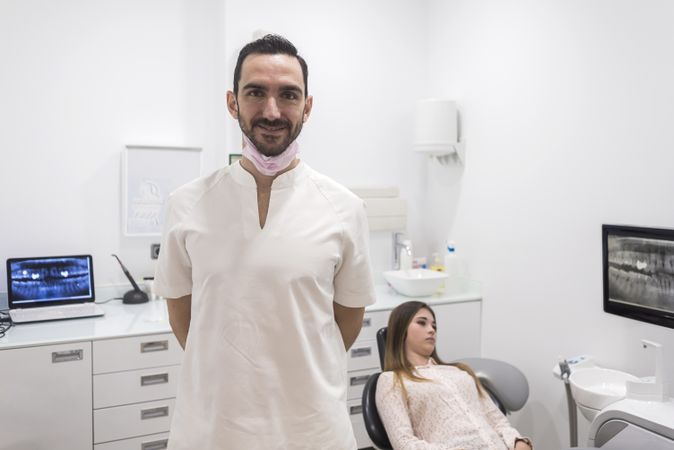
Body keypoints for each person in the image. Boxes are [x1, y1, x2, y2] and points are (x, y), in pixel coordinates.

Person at [154, 34, 376, 450]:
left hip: (312, 431)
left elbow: (345, 321)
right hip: (211, 429)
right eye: (256, 92)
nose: (272, 111)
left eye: (288, 95)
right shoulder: (186, 205)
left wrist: (296, 362)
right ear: (232, 102)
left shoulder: (344, 208)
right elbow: (182, 316)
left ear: (307, 107)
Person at [376, 301, 533, 450]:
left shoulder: (460, 371)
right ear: (401, 329)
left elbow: (496, 419)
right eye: (422, 323)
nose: (431, 330)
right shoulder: (392, 380)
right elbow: (403, 443)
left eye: (434, 326)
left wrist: (517, 441)